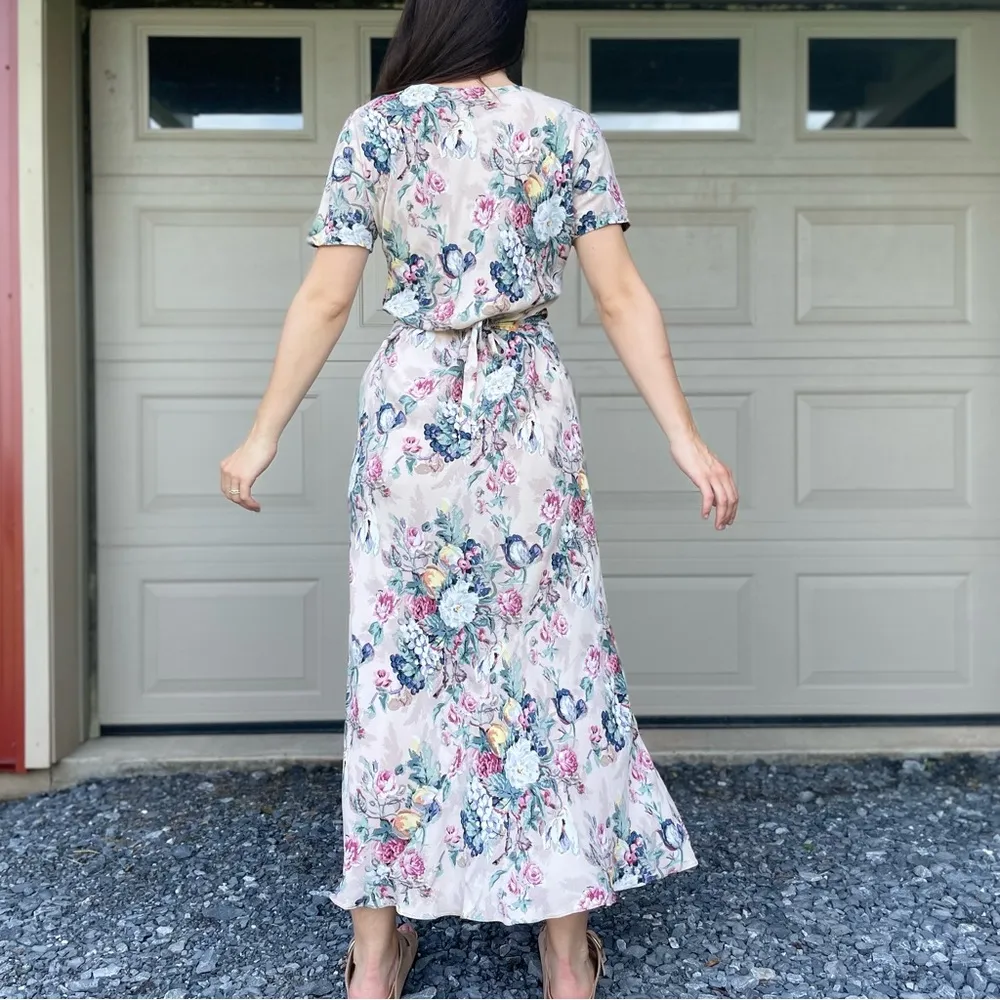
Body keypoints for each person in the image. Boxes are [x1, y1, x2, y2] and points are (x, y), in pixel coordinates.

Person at [220, 0, 738, 995]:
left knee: (396, 672)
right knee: (552, 661)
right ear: (507, 28)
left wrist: (262, 431)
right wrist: (684, 434)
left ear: (427, 23)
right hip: (524, 409)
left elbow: (326, 295)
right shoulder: (560, 128)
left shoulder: (376, 128)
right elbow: (622, 295)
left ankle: (374, 958)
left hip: (412, 411)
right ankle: (563, 954)